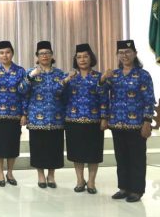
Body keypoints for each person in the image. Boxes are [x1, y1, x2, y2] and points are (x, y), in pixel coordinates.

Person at [101, 40, 155, 203]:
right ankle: (123, 187)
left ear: (135, 54)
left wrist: (147, 122)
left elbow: (149, 100)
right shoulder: (114, 75)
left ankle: (136, 190)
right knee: (121, 157)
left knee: (137, 158)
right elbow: (101, 94)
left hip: (136, 124)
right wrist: (103, 79)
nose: (124, 55)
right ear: (117, 55)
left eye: (128, 52)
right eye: (121, 53)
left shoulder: (143, 75)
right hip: (117, 123)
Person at [61, 43, 107, 194]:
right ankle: (80, 180)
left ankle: (92, 181)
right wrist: (66, 81)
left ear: (91, 58)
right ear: (75, 60)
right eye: (79, 57)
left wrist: (104, 117)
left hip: (94, 121)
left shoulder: (99, 77)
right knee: (77, 153)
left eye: (85, 56)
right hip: (73, 120)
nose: (82, 59)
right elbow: (60, 96)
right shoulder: (70, 77)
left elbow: (104, 99)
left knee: (93, 153)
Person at [21, 41, 66, 189]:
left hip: (56, 117)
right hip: (36, 117)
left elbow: (65, 94)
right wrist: (31, 77)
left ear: (52, 55)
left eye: (47, 53)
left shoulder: (60, 74)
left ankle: (51, 175)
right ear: (37, 56)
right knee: (38, 147)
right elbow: (22, 91)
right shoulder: (30, 72)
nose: (44, 56)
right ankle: (40, 175)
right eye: (41, 53)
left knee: (54, 147)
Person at [0, 40, 28, 187]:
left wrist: (24, 113)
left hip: (15, 114)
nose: (5, 55)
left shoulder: (20, 71)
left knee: (12, 145)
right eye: (2, 53)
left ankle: (10, 172)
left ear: (12, 53)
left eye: (8, 52)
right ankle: (0, 172)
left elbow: (24, 93)